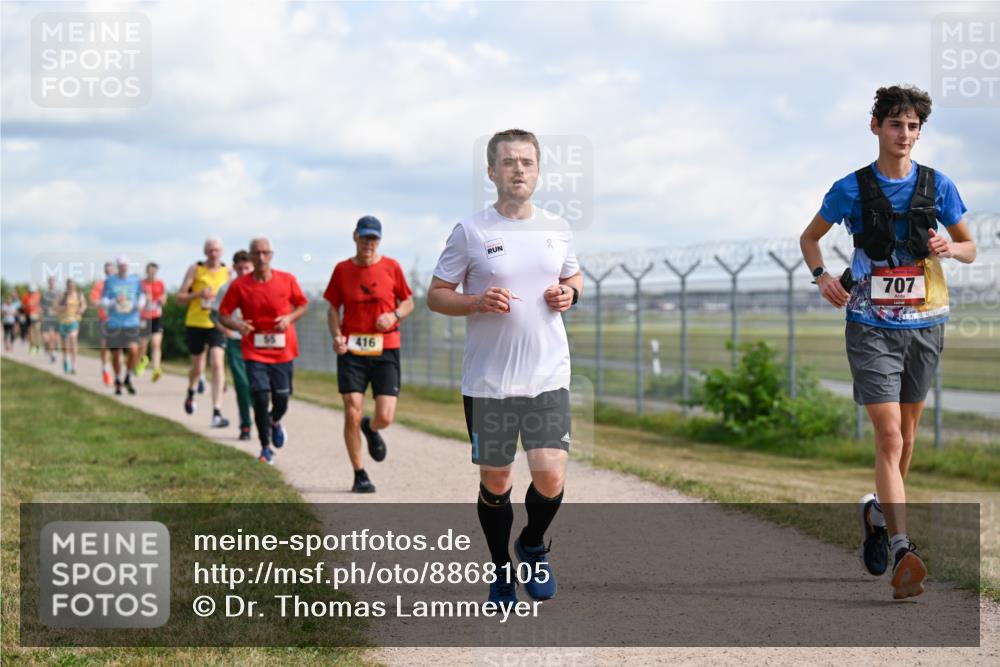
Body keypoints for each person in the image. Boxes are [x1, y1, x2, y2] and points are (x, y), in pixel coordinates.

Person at [800, 85, 977, 600]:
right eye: (895, 124)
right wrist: (821, 276)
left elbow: (971, 247)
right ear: (875, 125)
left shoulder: (939, 186)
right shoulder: (850, 189)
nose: (904, 134)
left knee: (909, 436)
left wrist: (952, 245)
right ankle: (902, 547)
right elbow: (810, 238)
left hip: (925, 324)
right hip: (870, 323)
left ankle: (876, 514)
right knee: (890, 436)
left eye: (913, 127)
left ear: (920, 133)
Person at [428, 129, 583, 605]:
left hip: (547, 376)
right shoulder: (471, 231)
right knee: (497, 481)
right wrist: (474, 301)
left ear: (537, 171)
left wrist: (570, 292)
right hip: (490, 382)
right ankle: (500, 571)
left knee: (550, 475)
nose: (519, 169)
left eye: (527, 162)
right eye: (509, 161)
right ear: (492, 172)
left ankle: (532, 545)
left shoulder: (557, 228)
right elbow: (436, 295)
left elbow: (573, 274)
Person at [324, 216, 414, 493]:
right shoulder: (342, 270)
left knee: (385, 416)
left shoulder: (391, 267)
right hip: (352, 350)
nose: (368, 244)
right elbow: (332, 310)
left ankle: (371, 427)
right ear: (355, 237)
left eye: (373, 239)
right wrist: (337, 337)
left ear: (379, 241)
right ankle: (359, 473)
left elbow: (408, 301)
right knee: (352, 409)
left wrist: (394, 315)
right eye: (364, 238)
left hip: (386, 348)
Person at [219, 237, 309, 464]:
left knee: (281, 399)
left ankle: (274, 420)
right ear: (250, 256)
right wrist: (239, 326)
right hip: (254, 350)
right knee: (259, 397)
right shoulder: (239, 286)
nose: (260, 257)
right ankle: (265, 447)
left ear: (271, 255)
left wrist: (289, 318)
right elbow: (223, 314)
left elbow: (303, 305)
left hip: (283, 351)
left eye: (264, 253)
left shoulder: (287, 280)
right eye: (256, 253)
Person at [176, 238, 231, 427]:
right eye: (210, 250)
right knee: (198, 367)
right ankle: (191, 391)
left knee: (217, 363)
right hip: (196, 321)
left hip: (217, 323)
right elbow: (180, 298)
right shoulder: (196, 270)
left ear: (222, 252)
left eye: (217, 250)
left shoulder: (227, 272)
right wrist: (198, 295)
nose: (214, 254)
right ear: (205, 252)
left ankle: (216, 412)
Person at [211, 250, 256, 441]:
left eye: (247, 268)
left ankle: (267, 418)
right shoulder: (227, 287)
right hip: (237, 342)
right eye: (239, 268)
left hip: (258, 342)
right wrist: (225, 329)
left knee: (260, 385)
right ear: (234, 268)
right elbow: (214, 313)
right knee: (242, 384)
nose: (243, 272)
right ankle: (245, 425)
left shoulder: (260, 285)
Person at [100, 256, 145, 395]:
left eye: (125, 266)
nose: (123, 268)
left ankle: (128, 376)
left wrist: (137, 304)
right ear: (117, 267)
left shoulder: (135, 280)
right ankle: (118, 379)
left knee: (134, 350)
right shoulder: (110, 281)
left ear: (128, 266)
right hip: (114, 323)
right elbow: (103, 301)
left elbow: (141, 298)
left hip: (131, 322)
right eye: (121, 266)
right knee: (116, 353)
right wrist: (115, 302)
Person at [136, 262, 166, 381]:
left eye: (154, 271)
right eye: (150, 271)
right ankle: (142, 361)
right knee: (143, 344)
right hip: (143, 317)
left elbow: (164, 300)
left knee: (156, 343)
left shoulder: (160, 284)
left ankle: (156, 369)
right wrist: (144, 299)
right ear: (147, 271)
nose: (152, 273)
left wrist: (158, 299)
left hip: (156, 317)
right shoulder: (141, 284)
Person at [90, 262, 115, 385]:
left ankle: (117, 375)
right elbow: (93, 300)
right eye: (107, 270)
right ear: (105, 272)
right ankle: (105, 369)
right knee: (105, 346)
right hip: (104, 319)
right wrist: (103, 303)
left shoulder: (120, 284)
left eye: (111, 269)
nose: (110, 272)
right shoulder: (100, 285)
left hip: (119, 320)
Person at [57, 279, 86, 373]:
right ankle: (65, 360)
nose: (70, 287)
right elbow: (56, 307)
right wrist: (62, 308)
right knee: (65, 344)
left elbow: (84, 305)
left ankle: (74, 365)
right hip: (63, 322)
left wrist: (81, 309)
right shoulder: (63, 295)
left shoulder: (79, 295)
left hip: (74, 321)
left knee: (73, 339)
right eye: (69, 285)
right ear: (66, 286)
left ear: (74, 286)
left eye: (72, 285)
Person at [40, 276, 61, 363]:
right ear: (48, 283)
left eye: (53, 281)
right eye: (50, 281)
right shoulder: (44, 293)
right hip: (47, 317)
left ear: (55, 282)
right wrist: (45, 310)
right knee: (47, 337)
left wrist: (57, 310)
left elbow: (61, 304)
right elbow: (40, 305)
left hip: (56, 317)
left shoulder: (58, 293)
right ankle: (51, 352)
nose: (52, 283)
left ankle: (53, 351)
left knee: (56, 337)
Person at [22, 284, 42, 355]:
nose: (31, 293)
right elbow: (23, 307)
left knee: (37, 330)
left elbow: (41, 306)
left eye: (33, 291)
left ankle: (38, 346)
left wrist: (40, 313)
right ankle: (32, 346)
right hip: (28, 315)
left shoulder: (38, 296)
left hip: (36, 315)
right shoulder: (25, 297)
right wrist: (27, 306)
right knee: (30, 331)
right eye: (30, 291)